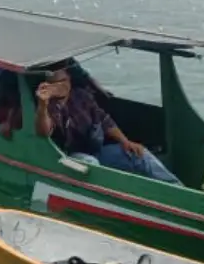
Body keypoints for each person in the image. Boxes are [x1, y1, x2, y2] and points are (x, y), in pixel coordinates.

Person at [34, 67, 181, 184]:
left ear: (70, 80)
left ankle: (176, 187)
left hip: (95, 149)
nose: (61, 86)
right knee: (92, 164)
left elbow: (104, 119)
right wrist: (43, 104)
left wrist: (125, 142)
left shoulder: (81, 96)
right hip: (71, 158)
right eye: (55, 84)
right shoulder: (50, 106)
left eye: (63, 81)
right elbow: (44, 130)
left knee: (139, 155)